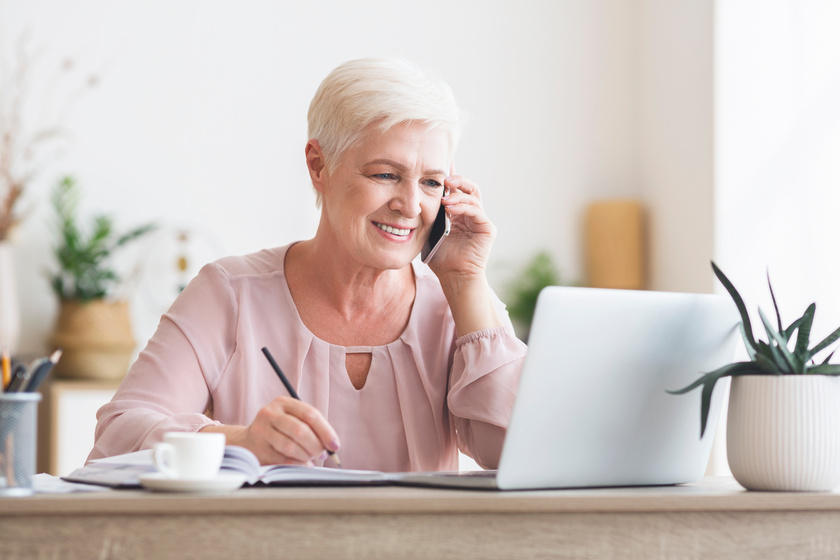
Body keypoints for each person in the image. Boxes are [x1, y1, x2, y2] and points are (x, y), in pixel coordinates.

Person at [89, 58, 527, 472]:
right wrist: (240, 443)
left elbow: (514, 452)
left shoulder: (458, 305)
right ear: (319, 166)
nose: (410, 206)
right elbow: (116, 439)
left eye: (431, 182)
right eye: (385, 175)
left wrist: (465, 281)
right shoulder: (230, 294)